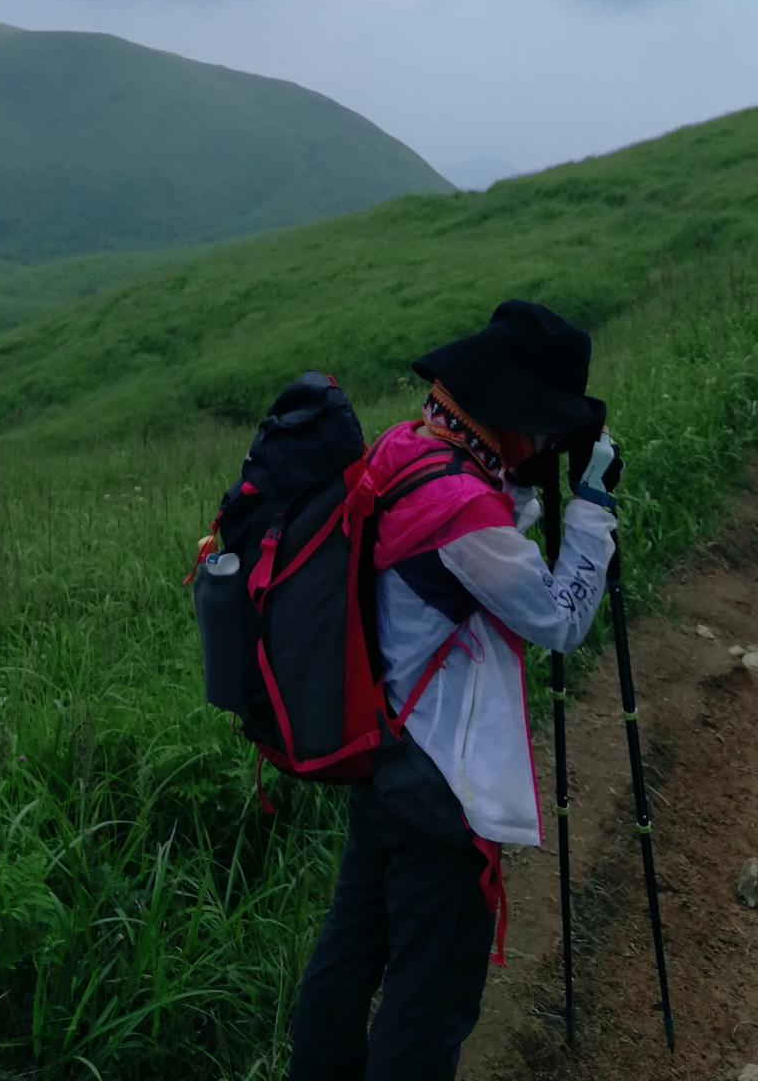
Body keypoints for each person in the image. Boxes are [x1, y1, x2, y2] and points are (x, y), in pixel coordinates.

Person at [288, 300, 619, 1081]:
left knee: (348, 959)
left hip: (384, 753)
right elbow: (557, 619)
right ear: (512, 412)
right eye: (544, 427)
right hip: (443, 786)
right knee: (428, 999)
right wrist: (593, 512)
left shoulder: (408, 450)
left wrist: (527, 480)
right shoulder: (465, 506)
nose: (546, 443)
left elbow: (466, 558)